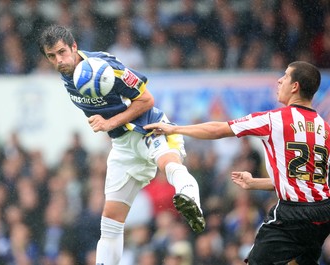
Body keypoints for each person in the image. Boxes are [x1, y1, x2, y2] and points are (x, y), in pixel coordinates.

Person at [37, 25, 205, 265]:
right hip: (122, 144)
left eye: (62, 52)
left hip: (148, 125)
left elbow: (146, 100)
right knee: (110, 222)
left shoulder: (106, 68)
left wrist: (109, 122)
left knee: (168, 163)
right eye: (51, 56)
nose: (59, 60)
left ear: (74, 46)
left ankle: (190, 197)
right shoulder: (66, 75)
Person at [144, 61, 330, 265]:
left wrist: (174, 129)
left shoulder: (275, 119)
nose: (279, 80)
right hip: (322, 214)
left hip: (292, 213)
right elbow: (307, 182)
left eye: (285, 76)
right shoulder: (325, 128)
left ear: (295, 86)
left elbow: (218, 129)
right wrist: (255, 183)